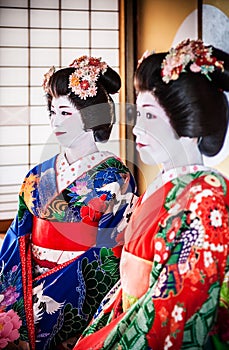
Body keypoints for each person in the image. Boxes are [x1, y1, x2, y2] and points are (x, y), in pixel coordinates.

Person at [73, 39, 229, 349]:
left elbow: (176, 308)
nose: (135, 130)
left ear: (189, 122)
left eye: (149, 116)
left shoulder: (206, 194)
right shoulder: (160, 184)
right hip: (132, 315)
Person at [0, 55, 137, 350]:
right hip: (27, 286)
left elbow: (112, 250)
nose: (55, 121)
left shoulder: (114, 177)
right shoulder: (38, 174)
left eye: (65, 112)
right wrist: (12, 293)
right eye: (52, 111)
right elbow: (17, 236)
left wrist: (59, 288)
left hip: (80, 295)